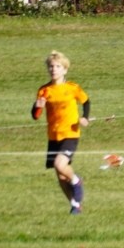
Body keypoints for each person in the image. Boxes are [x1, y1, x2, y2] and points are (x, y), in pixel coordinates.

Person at [32, 51, 90, 214]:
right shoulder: (44, 90)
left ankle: (77, 180)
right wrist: (38, 106)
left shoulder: (72, 88)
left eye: (58, 66)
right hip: (53, 136)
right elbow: (35, 116)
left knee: (60, 164)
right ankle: (75, 205)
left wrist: (85, 118)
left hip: (70, 134)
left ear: (64, 70)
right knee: (60, 175)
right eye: (51, 66)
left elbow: (85, 101)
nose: (54, 69)